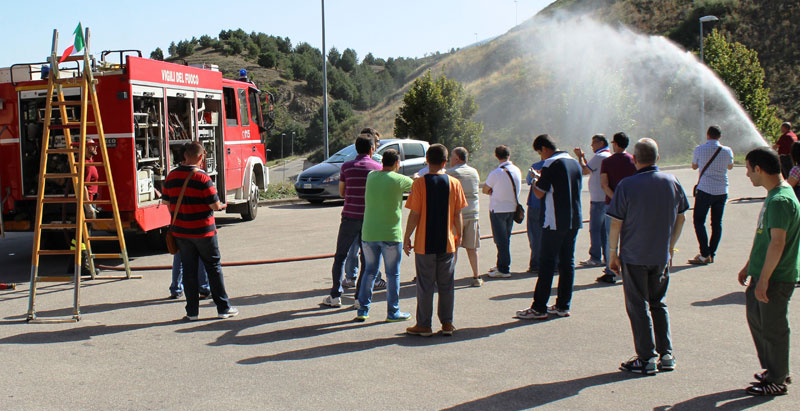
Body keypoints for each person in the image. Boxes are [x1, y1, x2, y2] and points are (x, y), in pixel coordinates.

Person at [606, 138, 688, 376]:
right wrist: (670, 246)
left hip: (634, 254)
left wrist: (613, 253)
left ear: (634, 159)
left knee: (637, 305)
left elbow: (616, 223)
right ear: (658, 158)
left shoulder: (626, 185)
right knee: (658, 303)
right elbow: (682, 216)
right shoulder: (672, 181)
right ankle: (666, 354)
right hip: (660, 254)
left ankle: (646, 357)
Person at [738, 147, 799, 396]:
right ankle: (774, 369)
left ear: (759, 169)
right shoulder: (774, 195)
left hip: (776, 276)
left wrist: (763, 280)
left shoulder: (781, 199)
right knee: (757, 318)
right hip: (763, 273)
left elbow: (777, 243)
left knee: (773, 327)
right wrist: (749, 266)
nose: (747, 175)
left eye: (748, 169)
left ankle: (777, 379)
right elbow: (764, 236)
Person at [162, 141, 237, 321]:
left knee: (189, 270)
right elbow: (214, 204)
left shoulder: (171, 176)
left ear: (185, 156)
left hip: (181, 232)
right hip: (204, 232)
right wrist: (220, 205)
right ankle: (223, 308)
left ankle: (192, 312)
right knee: (213, 268)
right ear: (201, 157)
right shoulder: (203, 178)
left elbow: (166, 203)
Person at [516, 134, 582, 320]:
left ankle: (539, 307)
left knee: (546, 264)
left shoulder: (550, 164)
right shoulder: (573, 162)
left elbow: (539, 193)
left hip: (554, 221)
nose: (541, 157)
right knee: (567, 263)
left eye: (540, 153)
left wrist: (536, 179)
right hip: (573, 219)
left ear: (544, 149)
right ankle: (563, 305)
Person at [404, 144, 467, 336]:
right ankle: (447, 323)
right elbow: (458, 213)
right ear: (445, 162)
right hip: (447, 241)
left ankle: (424, 324)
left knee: (425, 285)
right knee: (446, 284)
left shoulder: (420, 183)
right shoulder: (454, 183)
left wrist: (407, 236)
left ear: (427, 161)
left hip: (424, 242)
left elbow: (415, 214)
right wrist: (460, 234)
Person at [321, 130, 382, 308]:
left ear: (356, 149)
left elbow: (341, 192)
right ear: (371, 149)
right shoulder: (377, 169)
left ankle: (335, 295)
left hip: (348, 217)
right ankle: (358, 298)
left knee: (340, 256)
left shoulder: (346, 167)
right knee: (366, 259)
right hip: (368, 219)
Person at [355, 149, 414, 322]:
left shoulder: (372, 176)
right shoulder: (400, 179)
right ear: (397, 163)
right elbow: (415, 186)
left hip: (369, 232)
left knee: (369, 271)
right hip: (391, 233)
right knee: (393, 274)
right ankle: (393, 312)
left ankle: (363, 310)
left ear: (382, 162)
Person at [688, 125, 734, 265]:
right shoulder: (727, 150)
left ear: (708, 135)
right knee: (716, 223)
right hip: (721, 191)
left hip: (705, 190)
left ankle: (704, 253)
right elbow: (730, 166)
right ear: (720, 136)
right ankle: (711, 253)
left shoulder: (699, 149)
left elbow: (694, 166)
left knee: (699, 221)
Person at [597, 132, 636, 283]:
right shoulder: (634, 160)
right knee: (629, 237)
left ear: (616, 144)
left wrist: (616, 199)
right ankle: (628, 269)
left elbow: (604, 185)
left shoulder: (608, 161)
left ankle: (611, 270)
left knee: (610, 239)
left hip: (612, 205)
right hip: (631, 205)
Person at [482, 145, 522, 278]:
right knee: (506, 238)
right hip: (512, 208)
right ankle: (501, 264)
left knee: (500, 240)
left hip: (498, 209)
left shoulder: (496, 173)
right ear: (509, 155)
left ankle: (504, 268)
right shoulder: (517, 170)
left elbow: (485, 189)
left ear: (496, 156)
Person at [446, 147, 482, 287]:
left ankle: (448, 278)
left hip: (456, 215)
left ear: (457, 159)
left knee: (453, 248)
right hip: (473, 214)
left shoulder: (451, 173)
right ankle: (476, 276)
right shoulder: (474, 172)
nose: (449, 161)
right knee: (472, 248)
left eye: (451, 158)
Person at [574, 134, 611, 267]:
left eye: (594, 143)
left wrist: (579, 157)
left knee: (595, 229)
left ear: (601, 143)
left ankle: (595, 257)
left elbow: (584, 170)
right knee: (604, 230)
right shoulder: (607, 155)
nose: (592, 146)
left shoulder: (600, 156)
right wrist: (583, 157)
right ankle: (607, 256)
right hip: (604, 198)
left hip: (598, 199)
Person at [525, 158, 546, 273]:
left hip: (535, 205)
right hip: (550, 206)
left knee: (535, 236)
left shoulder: (536, 166)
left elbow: (529, 180)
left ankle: (536, 264)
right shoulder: (556, 165)